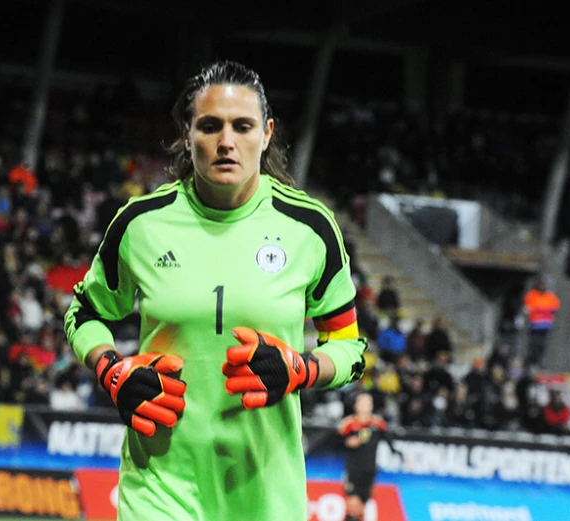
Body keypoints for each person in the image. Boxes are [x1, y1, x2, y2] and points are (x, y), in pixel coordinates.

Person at [63, 60, 368, 521]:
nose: (226, 142)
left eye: (242, 126)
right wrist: (112, 369)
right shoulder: (140, 224)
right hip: (159, 486)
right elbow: (84, 314)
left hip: (264, 490)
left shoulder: (310, 229)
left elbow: (350, 350)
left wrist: (300, 369)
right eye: (210, 126)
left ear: (266, 134)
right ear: (187, 135)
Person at [338, 393, 403, 521]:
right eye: (363, 403)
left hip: (369, 471)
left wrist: (401, 455)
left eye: (369, 403)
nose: (366, 406)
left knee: (362, 509)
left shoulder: (377, 424)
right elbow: (335, 442)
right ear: (356, 406)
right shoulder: (349, 424)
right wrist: (347, 442)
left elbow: (390, 442)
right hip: (353, 472)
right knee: (352, 507)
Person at [523, 277, 560, 368]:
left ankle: (540, 363)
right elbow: (527, 309)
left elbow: (555, 308)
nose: (542, 286)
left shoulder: (550, 296)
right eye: (540, 284)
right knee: (533, 345)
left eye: (544, 284)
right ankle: (531, 363)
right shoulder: (532, 295)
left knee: (542, 345)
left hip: (546, 325)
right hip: (535, 325)